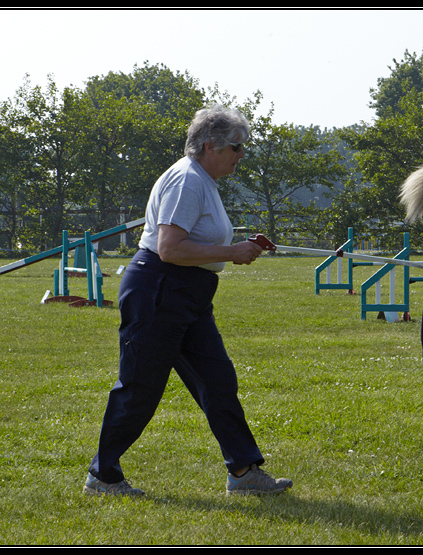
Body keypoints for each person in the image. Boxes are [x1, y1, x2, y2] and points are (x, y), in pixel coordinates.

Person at [84, 105, 292, 496]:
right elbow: (170, 248)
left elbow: (196, 242)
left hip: (188, 294)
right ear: (209, 145)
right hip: (160, 290)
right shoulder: (187, 180)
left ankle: (244, 473)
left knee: (218, 382)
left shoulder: (203, 180)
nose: (241, 155)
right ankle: (103, 476)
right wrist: (233, 252)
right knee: (140, 388)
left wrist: (238, 247)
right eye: (236, 147)